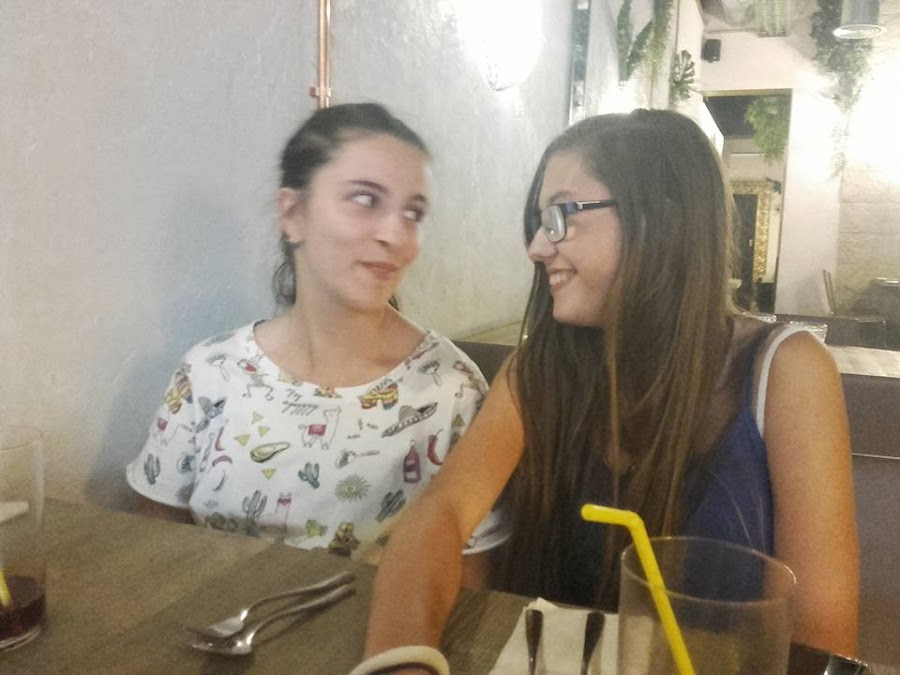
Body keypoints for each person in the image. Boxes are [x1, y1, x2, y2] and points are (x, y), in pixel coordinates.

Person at [357, 109, 858, 673]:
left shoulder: (785, 372)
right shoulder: (538, 373)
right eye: (538, 222)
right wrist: (402, 661)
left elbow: (822, 639)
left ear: (660, 219)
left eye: (560, 216)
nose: (536, 247)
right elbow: (442, 513)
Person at [126, 103, 504, 575]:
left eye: (414, 213)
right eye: (365, 199)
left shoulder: (450, 390)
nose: (395, 234)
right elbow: (158, 544)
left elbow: (469, 581)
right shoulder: (209, 374)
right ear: (293, 213)